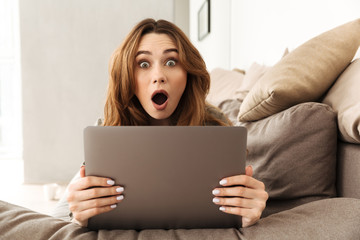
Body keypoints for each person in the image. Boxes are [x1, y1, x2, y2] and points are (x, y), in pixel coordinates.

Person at [66, 18, 268, 228]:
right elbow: (78, 203)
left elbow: (240, 196)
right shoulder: (108, 131)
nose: (159, 76)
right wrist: (80, 213)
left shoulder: (216, 127)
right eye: (143, 64)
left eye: (171, 62)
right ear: (127, 77)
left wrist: (249, 208)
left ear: (188, 74)